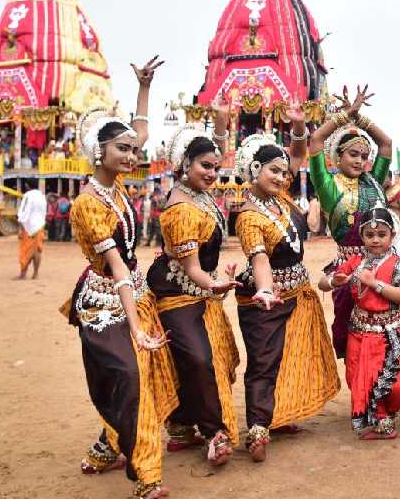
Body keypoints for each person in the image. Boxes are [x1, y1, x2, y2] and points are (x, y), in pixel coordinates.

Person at [62, 56, 177, 499]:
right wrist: (136, 328)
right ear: (99, 152)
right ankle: (146, 477)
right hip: (105, 304)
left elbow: (141, 131)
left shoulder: (115, 186)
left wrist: (144, 87)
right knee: (128, 375)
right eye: (123, 150)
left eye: (134, 150)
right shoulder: (89, 204)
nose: (133, 155)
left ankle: (108, 444)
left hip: (134, 294)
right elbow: (118, 270)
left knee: (145, 380)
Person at [233, 133, 340, 463]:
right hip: (265, 299)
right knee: (264, 360)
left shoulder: (282, 201)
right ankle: (258, 427)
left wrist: (297, 126)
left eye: (284, 172)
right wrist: (265, 289)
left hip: (297, 292)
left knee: (290, 354)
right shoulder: (250, 216)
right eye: (273, 171)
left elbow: (296, 153)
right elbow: (259, 258)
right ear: (254, 170)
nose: (281, 177)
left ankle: (277, 415)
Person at [145, 124, 242, 467]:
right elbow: (191, 269)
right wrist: (213, 283)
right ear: (185, 164)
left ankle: (182, 425)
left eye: (216, 167)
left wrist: (215, 280)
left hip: (199, 291)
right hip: (177, 294)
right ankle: (214, 432)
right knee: (199, 360)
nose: (212, 173)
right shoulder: (181, 208)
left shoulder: (199, 197)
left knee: (205, 359)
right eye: (205, 166)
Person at [306, 85, 395, 359]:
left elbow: (387, 144)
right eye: (353, 154)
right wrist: (347, 115)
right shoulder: (328, 186)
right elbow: (316, 141)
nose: (359, 161)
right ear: (338, 157)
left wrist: (362, 120)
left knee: (384, 328)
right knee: (350, 333)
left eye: (363, 156)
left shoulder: (373, 182)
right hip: (347, 268)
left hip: (380, 265)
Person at [318, 206, 400, 440]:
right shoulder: (355, 261)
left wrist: (374, 284)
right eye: (369, 235)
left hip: (390, 332)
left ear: (392, 235)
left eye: (382, 234)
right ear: (361, 237)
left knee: (399, 385)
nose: (375, 240)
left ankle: (388, 412)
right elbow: (322, 283)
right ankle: (380, 418)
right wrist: (334, 281)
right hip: (360, 331)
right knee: (357, 377)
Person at [16, 181, 47, 280]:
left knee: (25, 250)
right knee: (37, 250)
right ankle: (35, 273)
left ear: (27, 185)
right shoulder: (42, 196)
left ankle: (23, 274)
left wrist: (20, 228)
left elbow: (23, 212)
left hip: (28, 227)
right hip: (39, 226)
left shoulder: (27, 195)